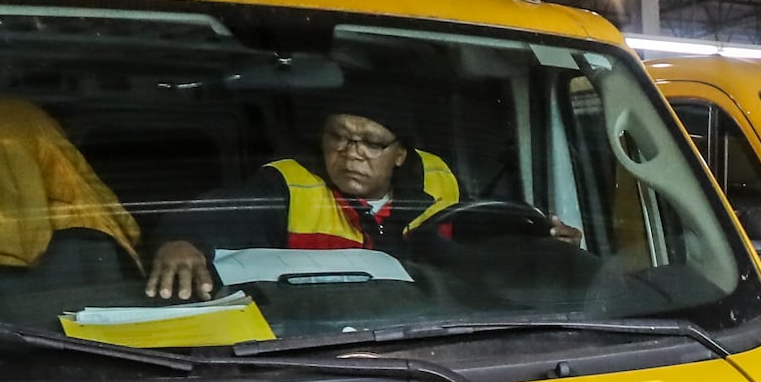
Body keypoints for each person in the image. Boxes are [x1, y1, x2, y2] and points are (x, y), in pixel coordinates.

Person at [145, 99, 576, 300]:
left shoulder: (441, 185)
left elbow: (488, 235)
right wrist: (181, 240)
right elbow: (209, 215)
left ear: (400, 153)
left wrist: (543, 240)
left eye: (370, 142)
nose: (351, 152)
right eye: (339, 136)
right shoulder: (289, 187)